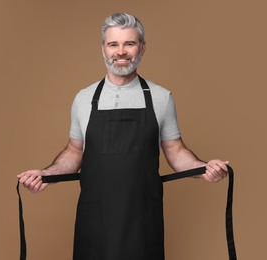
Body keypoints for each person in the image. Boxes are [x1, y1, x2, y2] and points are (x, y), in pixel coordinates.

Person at [17, 13, 229, 260]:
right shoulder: (84, 99)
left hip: (142, 224)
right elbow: (74, 151)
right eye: (113, 44)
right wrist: (46, 174)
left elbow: (176, 151)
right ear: (103, 49)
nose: (121, 52)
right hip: (96, 223)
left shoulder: (161, 98)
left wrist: (204, 168)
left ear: (142, 47)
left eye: (129, 43)